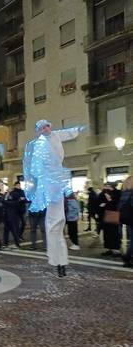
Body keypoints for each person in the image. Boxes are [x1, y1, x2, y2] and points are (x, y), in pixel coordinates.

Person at [23, 119, 85, 277]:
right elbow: (35, 165)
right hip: (48, 181)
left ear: (50, 126)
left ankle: (61, 261)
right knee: (53, 226)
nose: (46, 129)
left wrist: (79, 128)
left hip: (57, 178)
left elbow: (69, 133)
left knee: (57, 226)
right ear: (40, 130)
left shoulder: (56, 135)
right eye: (42, 128)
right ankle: (57, 261)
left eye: (47, 126)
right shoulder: (38, 144)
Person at [100, 183, 121, 257]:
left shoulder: (117, 193)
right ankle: (109, 249)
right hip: (106, 215)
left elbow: (115, 202)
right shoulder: (104, 192)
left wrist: (108, 201)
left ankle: (116, 250)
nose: (105, 187)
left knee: (114, 232)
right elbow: (101, 200)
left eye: (107, 186)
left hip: (114, 214)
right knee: (107, 233)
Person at [118, 176, 133, 268]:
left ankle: (127, 258)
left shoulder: (124, 192)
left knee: (131, 239)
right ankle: (127, 258)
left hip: (128, 219)